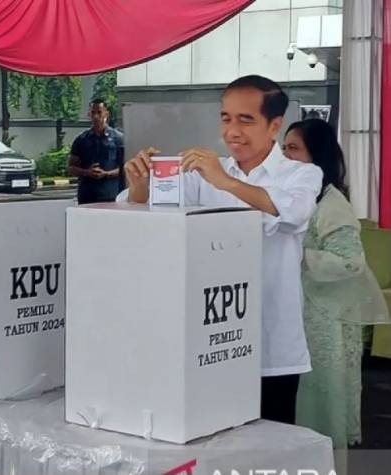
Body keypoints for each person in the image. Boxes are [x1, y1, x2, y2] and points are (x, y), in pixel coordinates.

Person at [120, 75, 324, 424]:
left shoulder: (300, 175)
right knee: (214, 437)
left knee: (270, 445)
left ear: (274, 125)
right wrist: (140, 187)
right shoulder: (203, 173)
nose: (232, 131)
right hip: (210, 339)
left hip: (270, 342)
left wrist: (225, 181)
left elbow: (290, 213)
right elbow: (146, 212)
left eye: (246, 120)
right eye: (226, 118)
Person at [283, 119, 390, 448]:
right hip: (296, 313)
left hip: (324, 320)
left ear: (318, 155)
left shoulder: (332, 204)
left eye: (293, 149)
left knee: (318, 405)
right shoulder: (294, 197)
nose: (285, 157)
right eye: (283, 148)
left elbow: (351, 263)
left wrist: (299, 255)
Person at [67, 98, 125, 204]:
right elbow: (71, 168)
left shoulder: (118, 139)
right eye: (93, 113)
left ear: (106, 113)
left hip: (111, 195)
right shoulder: (81, 139)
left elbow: (125, 168)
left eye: (99, 112)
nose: (96, 116)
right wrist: (86, 172)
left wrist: (106, 173)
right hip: (87, 196)